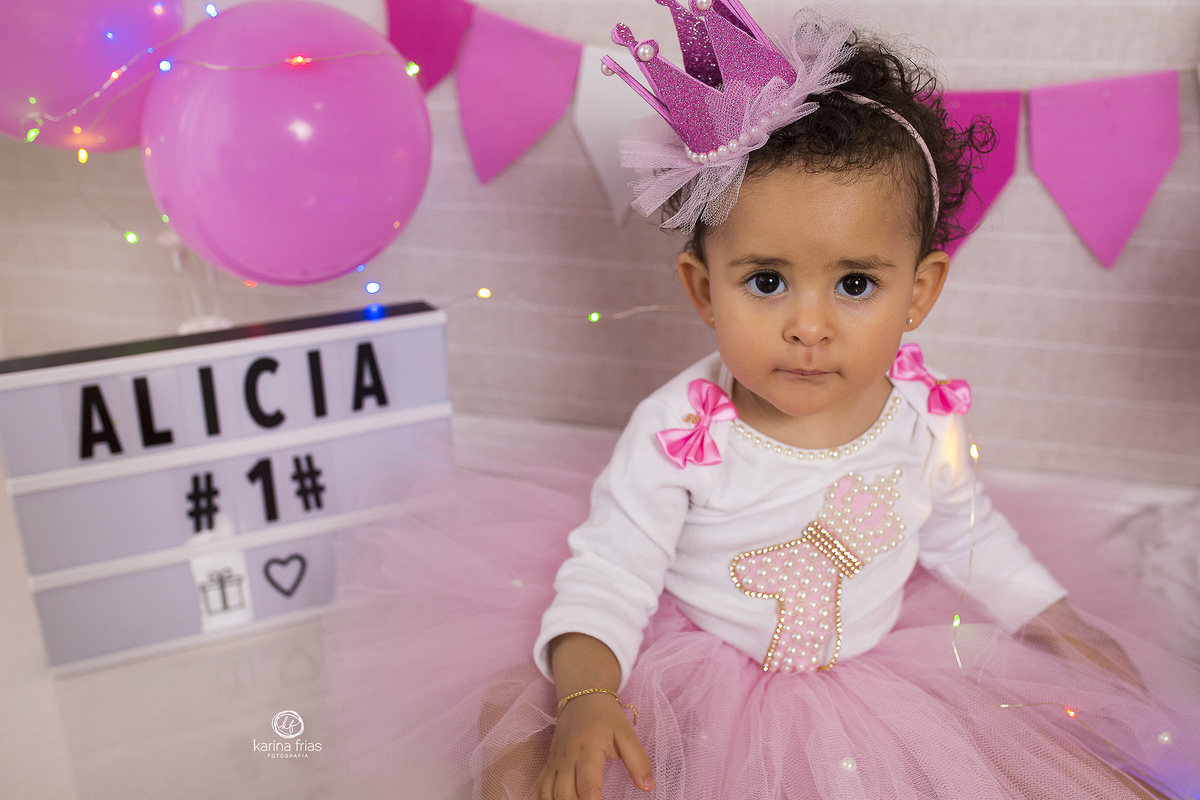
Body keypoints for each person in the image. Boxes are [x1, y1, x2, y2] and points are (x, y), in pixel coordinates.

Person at [326, 4, 1198, 799]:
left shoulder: (922, 414)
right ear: (704, 291)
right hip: (702, 660)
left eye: (855, 283)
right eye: (768, 281)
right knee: (546, 751)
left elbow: (965, 534)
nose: (807, 327)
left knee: (1060, 763)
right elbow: (612, 575)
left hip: (886, 664)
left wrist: (1056, 621)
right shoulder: (683, 434)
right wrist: (591, 693)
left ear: (920, 292)